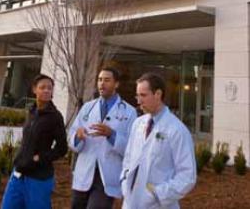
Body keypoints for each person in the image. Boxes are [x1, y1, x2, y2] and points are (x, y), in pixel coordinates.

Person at [120, 72, 196, 208]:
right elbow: (128, 159)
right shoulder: (138, 124)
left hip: (158, 204)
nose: (138, 101)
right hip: (131, 201)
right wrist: (125, 181)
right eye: (137, 95)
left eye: (143, 95)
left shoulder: (177, 130)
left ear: (158, 94)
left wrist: (157, 194)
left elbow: (187, 176)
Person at [69, 67, 137, 208]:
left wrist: (111, 135)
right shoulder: (88, 107)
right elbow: (72, 137)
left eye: (107, 80)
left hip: (107, 176)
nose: (101, 84)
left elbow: (132, 148)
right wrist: (77, 137)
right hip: (84, 172)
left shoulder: (129, 112)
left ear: (116, 84)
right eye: (99, 80)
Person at [1, 73, 68, 209]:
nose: (46, 90)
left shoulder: (55, 117)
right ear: (34, 89)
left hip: (39, 178)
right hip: (19, 174)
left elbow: (62, 148)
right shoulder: (31, 111)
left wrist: (40, 158)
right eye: (42, 87)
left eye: (49, 88)